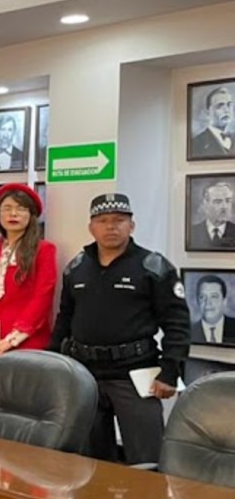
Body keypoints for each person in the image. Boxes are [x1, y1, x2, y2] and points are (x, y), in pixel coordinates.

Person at [50, 193, 190, 463]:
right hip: (85, 375)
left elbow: (177, 323)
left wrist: (171, 370)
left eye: (119, 220)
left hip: (135, 374)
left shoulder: (153, 266)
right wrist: (55, 362)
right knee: (90, 460)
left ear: (131, 226)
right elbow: (64, 318)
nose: (111, 227)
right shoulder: (77, 267)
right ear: (91, 227)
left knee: (147, 458)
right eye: (102, 221)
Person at [0, 183, 57, 379]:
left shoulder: (44, 250)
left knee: (24, 396)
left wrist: (11, 340)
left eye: (21, 208)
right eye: (7, 208)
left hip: (27, 345)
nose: (13, 214)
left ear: (31, 215)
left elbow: (42, 297)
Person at [190, 274, 235, 345]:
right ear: (197, 301)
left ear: (224, 301)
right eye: (202, 297)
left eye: (214, 296)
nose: (208, 302)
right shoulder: (188, 331)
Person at [192, 86, 235, 157]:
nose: (226, 110)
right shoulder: (197, 143)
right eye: (220, 106)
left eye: (229, 105)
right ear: (207, 112)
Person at [191, 180, 235, 247]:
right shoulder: (193, 232)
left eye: (228, 201)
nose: (224, 206)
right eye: (218, 202)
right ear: (205, 204)